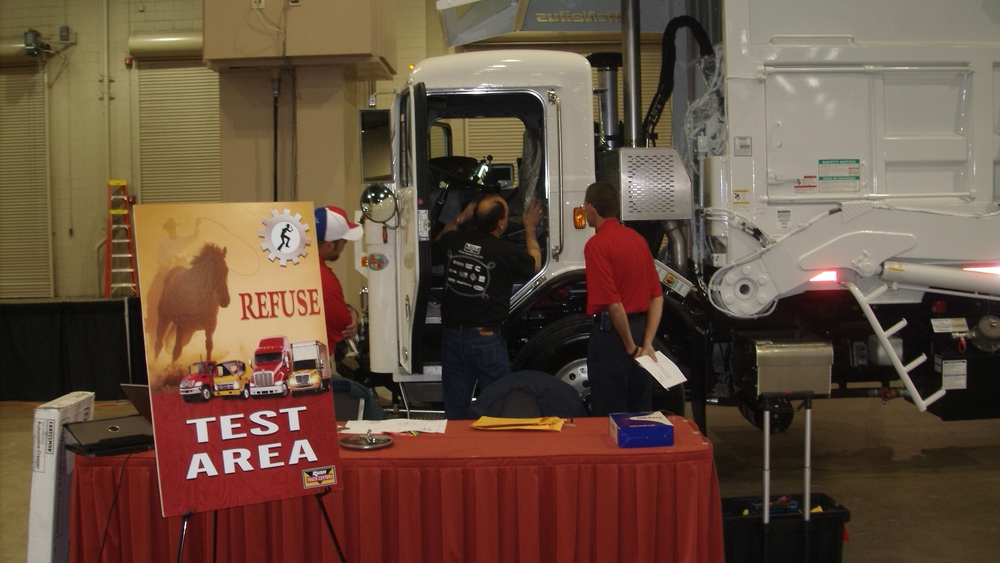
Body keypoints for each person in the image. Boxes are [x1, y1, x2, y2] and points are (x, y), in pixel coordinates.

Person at [432, 195, 543, 419]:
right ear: (501, 224)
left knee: (455, 409)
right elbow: (534, 263)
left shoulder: (452, 241)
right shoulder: (504, 251)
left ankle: (457, 450)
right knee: (497, 406)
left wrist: (459, 219)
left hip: (453, 338)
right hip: (487, 341)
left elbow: (435, 246)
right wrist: (529, 227)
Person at [582, 182, 663, 416]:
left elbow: (614, 304)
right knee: (640, 410)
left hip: (613, 339)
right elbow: (656, 297)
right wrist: (646, 344)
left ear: (591, 208)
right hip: (641, 333)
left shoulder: (596, 245)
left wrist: (629, 348)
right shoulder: (637, 240)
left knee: (610, 413)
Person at [314, 206, 364, 350]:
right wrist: (351, 314)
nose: (344, 246)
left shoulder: (291, 263)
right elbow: (343, 327)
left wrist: (349, 309)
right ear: (330, 245)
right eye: (344, 241)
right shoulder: (324, 279)